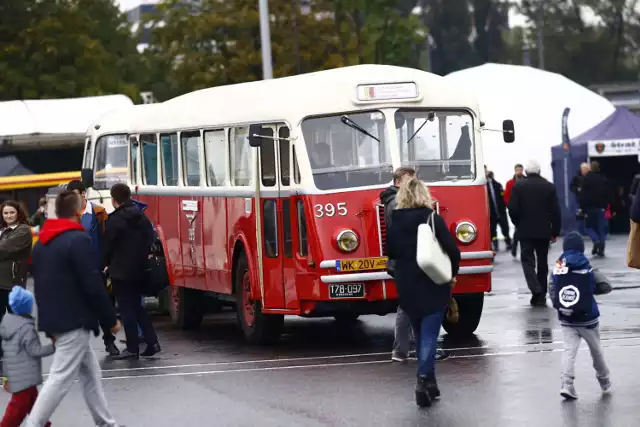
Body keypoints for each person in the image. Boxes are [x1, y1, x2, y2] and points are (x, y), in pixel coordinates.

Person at [26, 190, 122, 427]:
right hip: (75, 319)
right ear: (79, 211)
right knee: (60, 377)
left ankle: (106, 422)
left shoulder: (43, 244)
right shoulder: (78, 240)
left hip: (56, 318)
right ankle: (33, 424)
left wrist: (47, 324)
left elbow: (40, 285)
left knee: (90, 373)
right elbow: (92, 284)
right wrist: (110, 319)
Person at [387, 178, 461, 407]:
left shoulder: (395, 221)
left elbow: (391, 253)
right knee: (429, 336)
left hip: (406, 284)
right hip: (431, 283)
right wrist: (452, 273)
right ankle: (422, 381)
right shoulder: (431, 218)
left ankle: (431, 384)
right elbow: (452, 249)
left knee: (420, 335)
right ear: (423, 194)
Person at [380, 168, 450, 363]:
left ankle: (406, 349)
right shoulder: (397, 203)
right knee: (415, 306)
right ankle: (412, 350)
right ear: (398, 181)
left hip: (404, 261)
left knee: (408, 305)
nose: (414, 183)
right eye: (410, 179)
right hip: (413, 260)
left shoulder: (391, 201)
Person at [550, 232, 611, 400]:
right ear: (581, 248)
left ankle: (567, 384)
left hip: (567, 317)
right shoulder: (586, 264)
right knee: (596, 351)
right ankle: (604, 381)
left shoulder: (558, 265)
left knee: (569, 352)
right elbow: (606, 286)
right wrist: (588, 294)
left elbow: (552, 289)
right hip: (588, 318)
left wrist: (561, 305)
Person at [103, 183, 160, 360]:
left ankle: (133, 348)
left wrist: (104, 264)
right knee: (138, 306)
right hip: (140, 268)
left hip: (121, 270)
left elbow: (108, 246)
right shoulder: (141, 217)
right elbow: (151, 237)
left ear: (114, 200)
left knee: (126, 308)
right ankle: (152, 342)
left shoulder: (114, 219)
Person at [66, 180, 120, 357]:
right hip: (74, 270)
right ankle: (80, 347)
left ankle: (109, 342)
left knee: (104, 304)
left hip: (97, 268)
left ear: (83, 194)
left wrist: (106, 263)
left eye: (75, 194)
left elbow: (106, 239)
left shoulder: (98, 213)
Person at [508, 160, 561, 307]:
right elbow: (556, 211)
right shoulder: (549, 187)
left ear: (526, 172)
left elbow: (512, 208)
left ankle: (535, 290)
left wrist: (517, 223)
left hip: (525, 230)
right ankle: (542, 292)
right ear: (539, 171)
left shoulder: (518, 186)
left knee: (527, 261)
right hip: (544, 231)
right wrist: (555, 231)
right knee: (542, 262)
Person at [0, 286, 55, 427]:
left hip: (17, 377)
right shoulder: (26, 328)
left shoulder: (7, 326)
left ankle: (43, 424)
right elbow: (35, 351)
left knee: (34, 405)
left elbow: (7, 356)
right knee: (17, 409)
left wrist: (6, 377)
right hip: (26, 377)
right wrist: (54, 347)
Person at [0, 201, 33, 372]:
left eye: (11, 212)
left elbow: (4, 248)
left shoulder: (23, 230)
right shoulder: (3, 230)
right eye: (5, 213)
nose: (8, 216)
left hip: (14, 283)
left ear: (18, 213)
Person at [579, 161, 609, 257]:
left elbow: (583, 195)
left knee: (589, 227)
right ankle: (601, 247)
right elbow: (607, 193)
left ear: (590, 168)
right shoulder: (603, 179)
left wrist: (581, 208)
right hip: (602, 208)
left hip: (590, 208)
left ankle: (595, 240)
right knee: (601, 229)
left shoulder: (586, 179)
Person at [485, 166, 512, 252]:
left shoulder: (497, 185)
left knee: (505, 228)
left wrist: (505, 207)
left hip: (500, 211)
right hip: (490, 213)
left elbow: (503, 197)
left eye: (486, 170)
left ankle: (508, 243)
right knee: (493, 231)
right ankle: (495, 245)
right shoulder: (483, 187)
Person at [504, 164, 524, 257]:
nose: (519, 171)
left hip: (525, 209)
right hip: (515, 210)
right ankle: (515, 248)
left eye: (520, 170)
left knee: (520, 229)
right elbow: (506, 196)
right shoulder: (510, 183)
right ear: (515, 171)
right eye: (517, 170)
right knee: (518, 229)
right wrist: (510, 206)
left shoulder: (526, 180)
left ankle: (515, 249)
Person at [571, 163, 590, 235]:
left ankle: (588, 231)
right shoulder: (576, 177)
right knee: (579, 216)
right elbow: (571, 187)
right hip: (579, 200)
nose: (585, 171)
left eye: (586, 169)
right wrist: (577, 189)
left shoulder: (589, 176)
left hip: (588, 200)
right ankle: (580, 232)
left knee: (587, 216)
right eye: (584, 169)